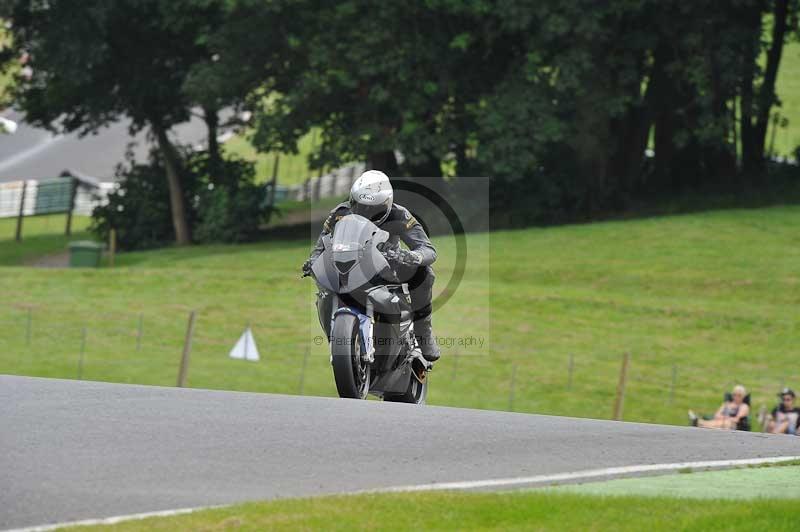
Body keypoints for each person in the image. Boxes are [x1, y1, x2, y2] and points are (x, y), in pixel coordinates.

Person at [302, 170, 440, 362]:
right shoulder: (340, 213)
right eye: (359, 206)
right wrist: (313, 262)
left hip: (387, 266)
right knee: (324, 288)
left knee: (425, 273)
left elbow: (428, 249)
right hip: (349, 267)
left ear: (387, 204)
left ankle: (423, 333)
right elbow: (320, 246)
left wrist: (411, 256)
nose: (365, 213)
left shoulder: (400, 215)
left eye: (372, 209)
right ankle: (337, 338)